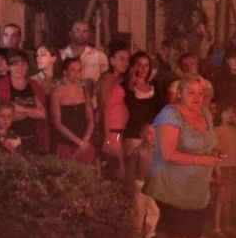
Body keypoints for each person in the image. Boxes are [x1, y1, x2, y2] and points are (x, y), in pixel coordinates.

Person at [145, 73, 221, 238]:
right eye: (191, 92)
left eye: (200, 93)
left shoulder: (205, 113)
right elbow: (168, 153)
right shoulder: (170, 114)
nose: (197, 97)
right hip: (173, 186)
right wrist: (203, 160)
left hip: (197, 188)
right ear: (179, 93)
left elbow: (211, 143)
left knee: (193, 236)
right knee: (178, 236)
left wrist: (215, 159)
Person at [0, 50, 48, 152]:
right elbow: (8, 116)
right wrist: (32, 111)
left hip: (33, 138)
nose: (19, 68)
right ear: (8, 67)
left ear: (27, 67)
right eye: (15, 65)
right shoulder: (2, 83)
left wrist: (19, 109)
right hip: (9, 140)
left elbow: (43, 114)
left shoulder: (34, 85)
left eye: (22, 64)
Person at [122, 51, 164, 187]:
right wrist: (132, 84)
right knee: (134, 179)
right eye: (139, 65)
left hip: (151, 138)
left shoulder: (155, 86)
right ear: (133, 66)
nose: (143, 68)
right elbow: (129, 107)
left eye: (146, 65)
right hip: (133, 134)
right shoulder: (125, 86)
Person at [48, 57, 96, 163]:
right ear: (65, 72)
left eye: (79, 70)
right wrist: (78, 142)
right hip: (65, 144)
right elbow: (57, 123)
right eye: (73, 70)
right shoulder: (57, 93)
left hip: (84, 144)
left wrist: (84, 141)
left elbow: (91, 119)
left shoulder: (84, 91)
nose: (77, 74)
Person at [96, 42, 131, 170]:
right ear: (112, 60)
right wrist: (107, 136)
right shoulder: (108, 78)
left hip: (118, 130)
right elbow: (104, 107)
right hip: (111, 131)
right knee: (118, 169)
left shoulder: (119, 80)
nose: (125, 63)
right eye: (121, 59)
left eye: (127, 59)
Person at [212, 103, 236, 237]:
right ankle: (217, 228)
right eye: (227, 111)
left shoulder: (235, 129)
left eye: (231, 112)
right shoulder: (217, 130)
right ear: (221, 114)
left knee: (228, 198)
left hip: (232, 166)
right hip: (223, 167)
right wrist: (217, 169)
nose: (230, 114)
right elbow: (215, 152)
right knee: (220, 198)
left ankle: (227, 226)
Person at [61, 21, 107, 85]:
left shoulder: (99, 56)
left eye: (84, 31)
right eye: (77, 30)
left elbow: (105, 81)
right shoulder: (61, 56)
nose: (81, 34)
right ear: (70, 33)